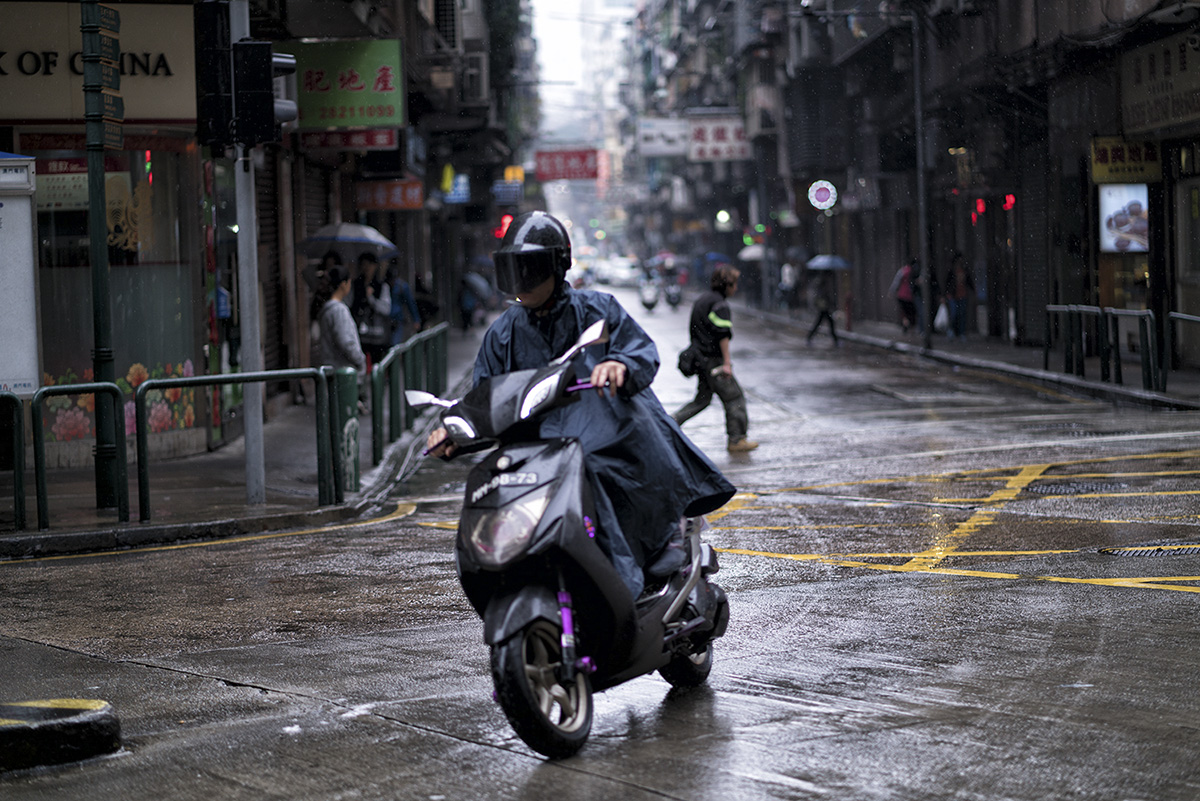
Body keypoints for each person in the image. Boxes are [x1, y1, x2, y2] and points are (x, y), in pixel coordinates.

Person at [426, 211, 735, 599]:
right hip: (538, 447)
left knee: (608, 470)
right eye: (514, 269)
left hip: (607, 429)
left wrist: (619, 364)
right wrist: (455, 432)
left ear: (558, 266)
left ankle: (657, 542)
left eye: (531, 269)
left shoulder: (598, 309)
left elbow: (639, 350)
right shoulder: (502, 332)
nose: (522, 280)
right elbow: (484, 398)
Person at [673, 264, 759, 453]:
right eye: (735, 284)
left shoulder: (702, 300)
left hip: (700, 359)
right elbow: (723, 335)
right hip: (713, 361)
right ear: (727, 285)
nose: (736, 288)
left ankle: (670, 422)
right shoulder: (720, 305)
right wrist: (726, 363)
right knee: (734, 397)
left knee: (702, 399)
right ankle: (737, 439)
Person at [313, 263, 366, 374]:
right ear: (343, 284)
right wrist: (360, 359)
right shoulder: (338, 310)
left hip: (332, 368)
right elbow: (346, 342)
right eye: (349, 282)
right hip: (343, 371)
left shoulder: (327, 308)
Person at [350, 252, 391, 367]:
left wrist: (371, 299)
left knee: (377, 366)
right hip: (360, 334)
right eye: (364, 264)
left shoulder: (382, 286)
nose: (366, 268)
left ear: (375, 266)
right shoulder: (355, 285)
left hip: (377, 335)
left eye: (369, 264)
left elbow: (386, 309)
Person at [388, 267, 422, 347]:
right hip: (387, 319)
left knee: (395, 344)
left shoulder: (402, 286)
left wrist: (416, 319)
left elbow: (411, 303)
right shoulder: (387, 285)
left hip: (398, 320)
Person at [944, 251, 974, 339]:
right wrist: (946, 293)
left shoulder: (965, 270)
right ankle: (952, 330)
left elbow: (969, 281)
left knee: (962, 314)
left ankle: (961, 332)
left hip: (962, 295)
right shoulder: (952, 270)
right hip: (953, 295)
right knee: (954, 314)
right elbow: (947, 282)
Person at [806, 270, 840, 346]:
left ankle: (810, 337)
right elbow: (822, 295)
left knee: (825, 323)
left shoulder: (823, 282)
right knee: (827, 323)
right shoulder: (822, 283)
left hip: (824, 307)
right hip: (824, 307)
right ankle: (835, 340)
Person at [889, 258, 918, 332]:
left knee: (904, 311)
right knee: (910, 311)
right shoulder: (913, 271)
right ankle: (910, 325)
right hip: (910, 295)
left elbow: (896, 281)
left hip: (901, 294)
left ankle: (905, 324)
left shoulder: (903, 271)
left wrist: (892, 291)